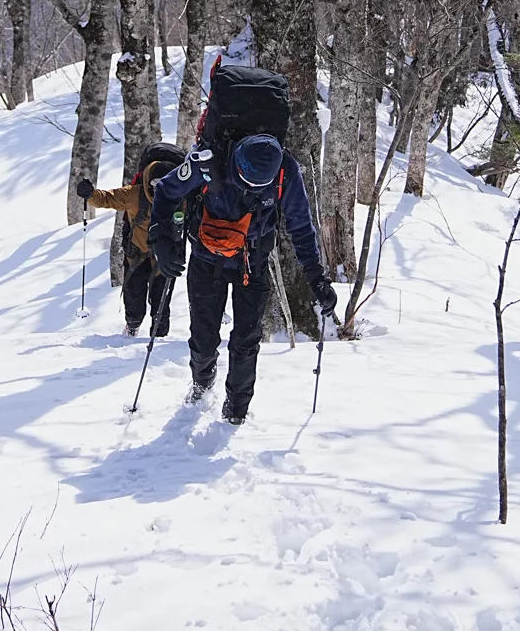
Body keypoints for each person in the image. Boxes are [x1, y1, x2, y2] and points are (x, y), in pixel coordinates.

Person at [148, 127, 337, 425]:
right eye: (245, 182)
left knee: (246, 340)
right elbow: (166, 190)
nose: (250, 189)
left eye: (258, 186)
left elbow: (301, 226)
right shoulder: (208, 160)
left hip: (253, 262)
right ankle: (202, 382)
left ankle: (235, 412)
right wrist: (160, 239)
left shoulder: (286, 170)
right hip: (206, 259)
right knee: (204, 337)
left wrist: (317, 278)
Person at [77, 142, 183, 336]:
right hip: (137, 255)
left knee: (161, 304)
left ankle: (158, 340)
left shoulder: (182, 197)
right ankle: (132, 328)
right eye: (154, 184)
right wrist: (90, 194)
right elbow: (106, 198)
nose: (158, 190)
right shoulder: (134, 194)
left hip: (166, 257)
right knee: (134, 302)